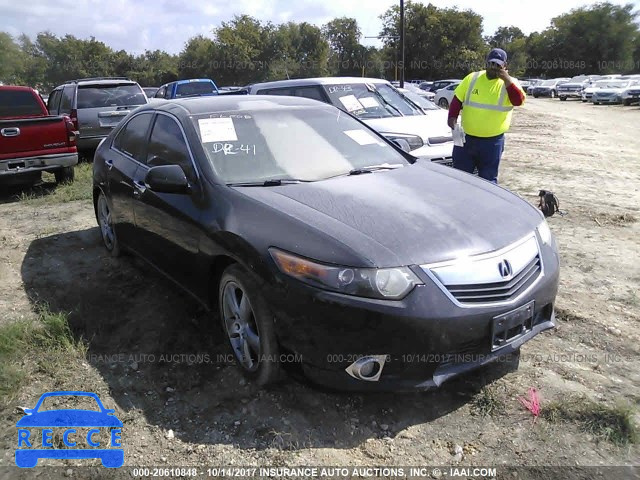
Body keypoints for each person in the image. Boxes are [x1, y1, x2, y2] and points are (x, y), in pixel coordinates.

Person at [447, 48, 525, 183]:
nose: (494, 68)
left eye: (498, 65)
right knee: (460, 179)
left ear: (505, 66)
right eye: (491, 64)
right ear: (486, 63)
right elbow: (457, 99)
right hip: (466, 140)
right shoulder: (472, 78)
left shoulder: (511, 83)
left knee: (488, 181)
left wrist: (506, 80)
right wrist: (452, 117)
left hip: (492, 143)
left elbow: (518, 101)